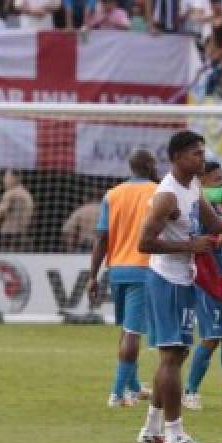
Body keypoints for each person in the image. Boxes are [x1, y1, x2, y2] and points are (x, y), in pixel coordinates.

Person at [134, 131, 222, 443]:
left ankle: (152, 429)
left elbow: (215, 224)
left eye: (202, 153)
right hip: (167, 281)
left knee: (175, 355)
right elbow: (144, 243)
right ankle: (175, 435)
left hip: (184, 278)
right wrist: (189, 246)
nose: (201, 159)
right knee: (172, 357)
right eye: (195, 154)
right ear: (176, 157)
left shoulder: (193, 186)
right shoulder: (167, 195)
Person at [87, 149, 160, 408]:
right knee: (133, 332)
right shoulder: (158, 192)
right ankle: (117, 394)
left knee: (128, 328)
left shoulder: (113, 194)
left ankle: (133, 387)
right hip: (145, 268)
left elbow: (101, 237)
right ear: (151, 165)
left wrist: (92, 276)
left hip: (117, 269)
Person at [183, 161, 222, 413]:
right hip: (206, 281)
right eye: (217, 179)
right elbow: (215, 239)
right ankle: (190, 391)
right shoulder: (200, 207)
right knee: (211, 338)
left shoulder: (218, 207)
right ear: (203, 181)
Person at [0, 170, 33, 251]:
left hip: (10, 236)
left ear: (14, 178)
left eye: (6, 177)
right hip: (23, 234)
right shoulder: (26, 193)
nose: (4, 180)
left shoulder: (11, 193)